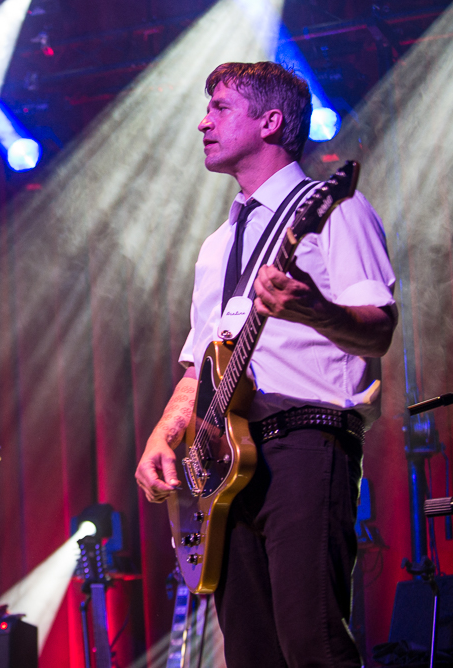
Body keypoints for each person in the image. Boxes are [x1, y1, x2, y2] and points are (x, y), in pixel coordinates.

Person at [134, 62, 397, 667]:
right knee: (250, 652)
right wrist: (164, 436)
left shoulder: (333, 209)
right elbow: (200, 364)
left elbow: (378, 329)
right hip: (227, 468)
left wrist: (312, 309)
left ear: (271, 121)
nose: (203, 122)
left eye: (220, 108)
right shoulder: (217, 245)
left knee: (313, 644)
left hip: (306, 442)